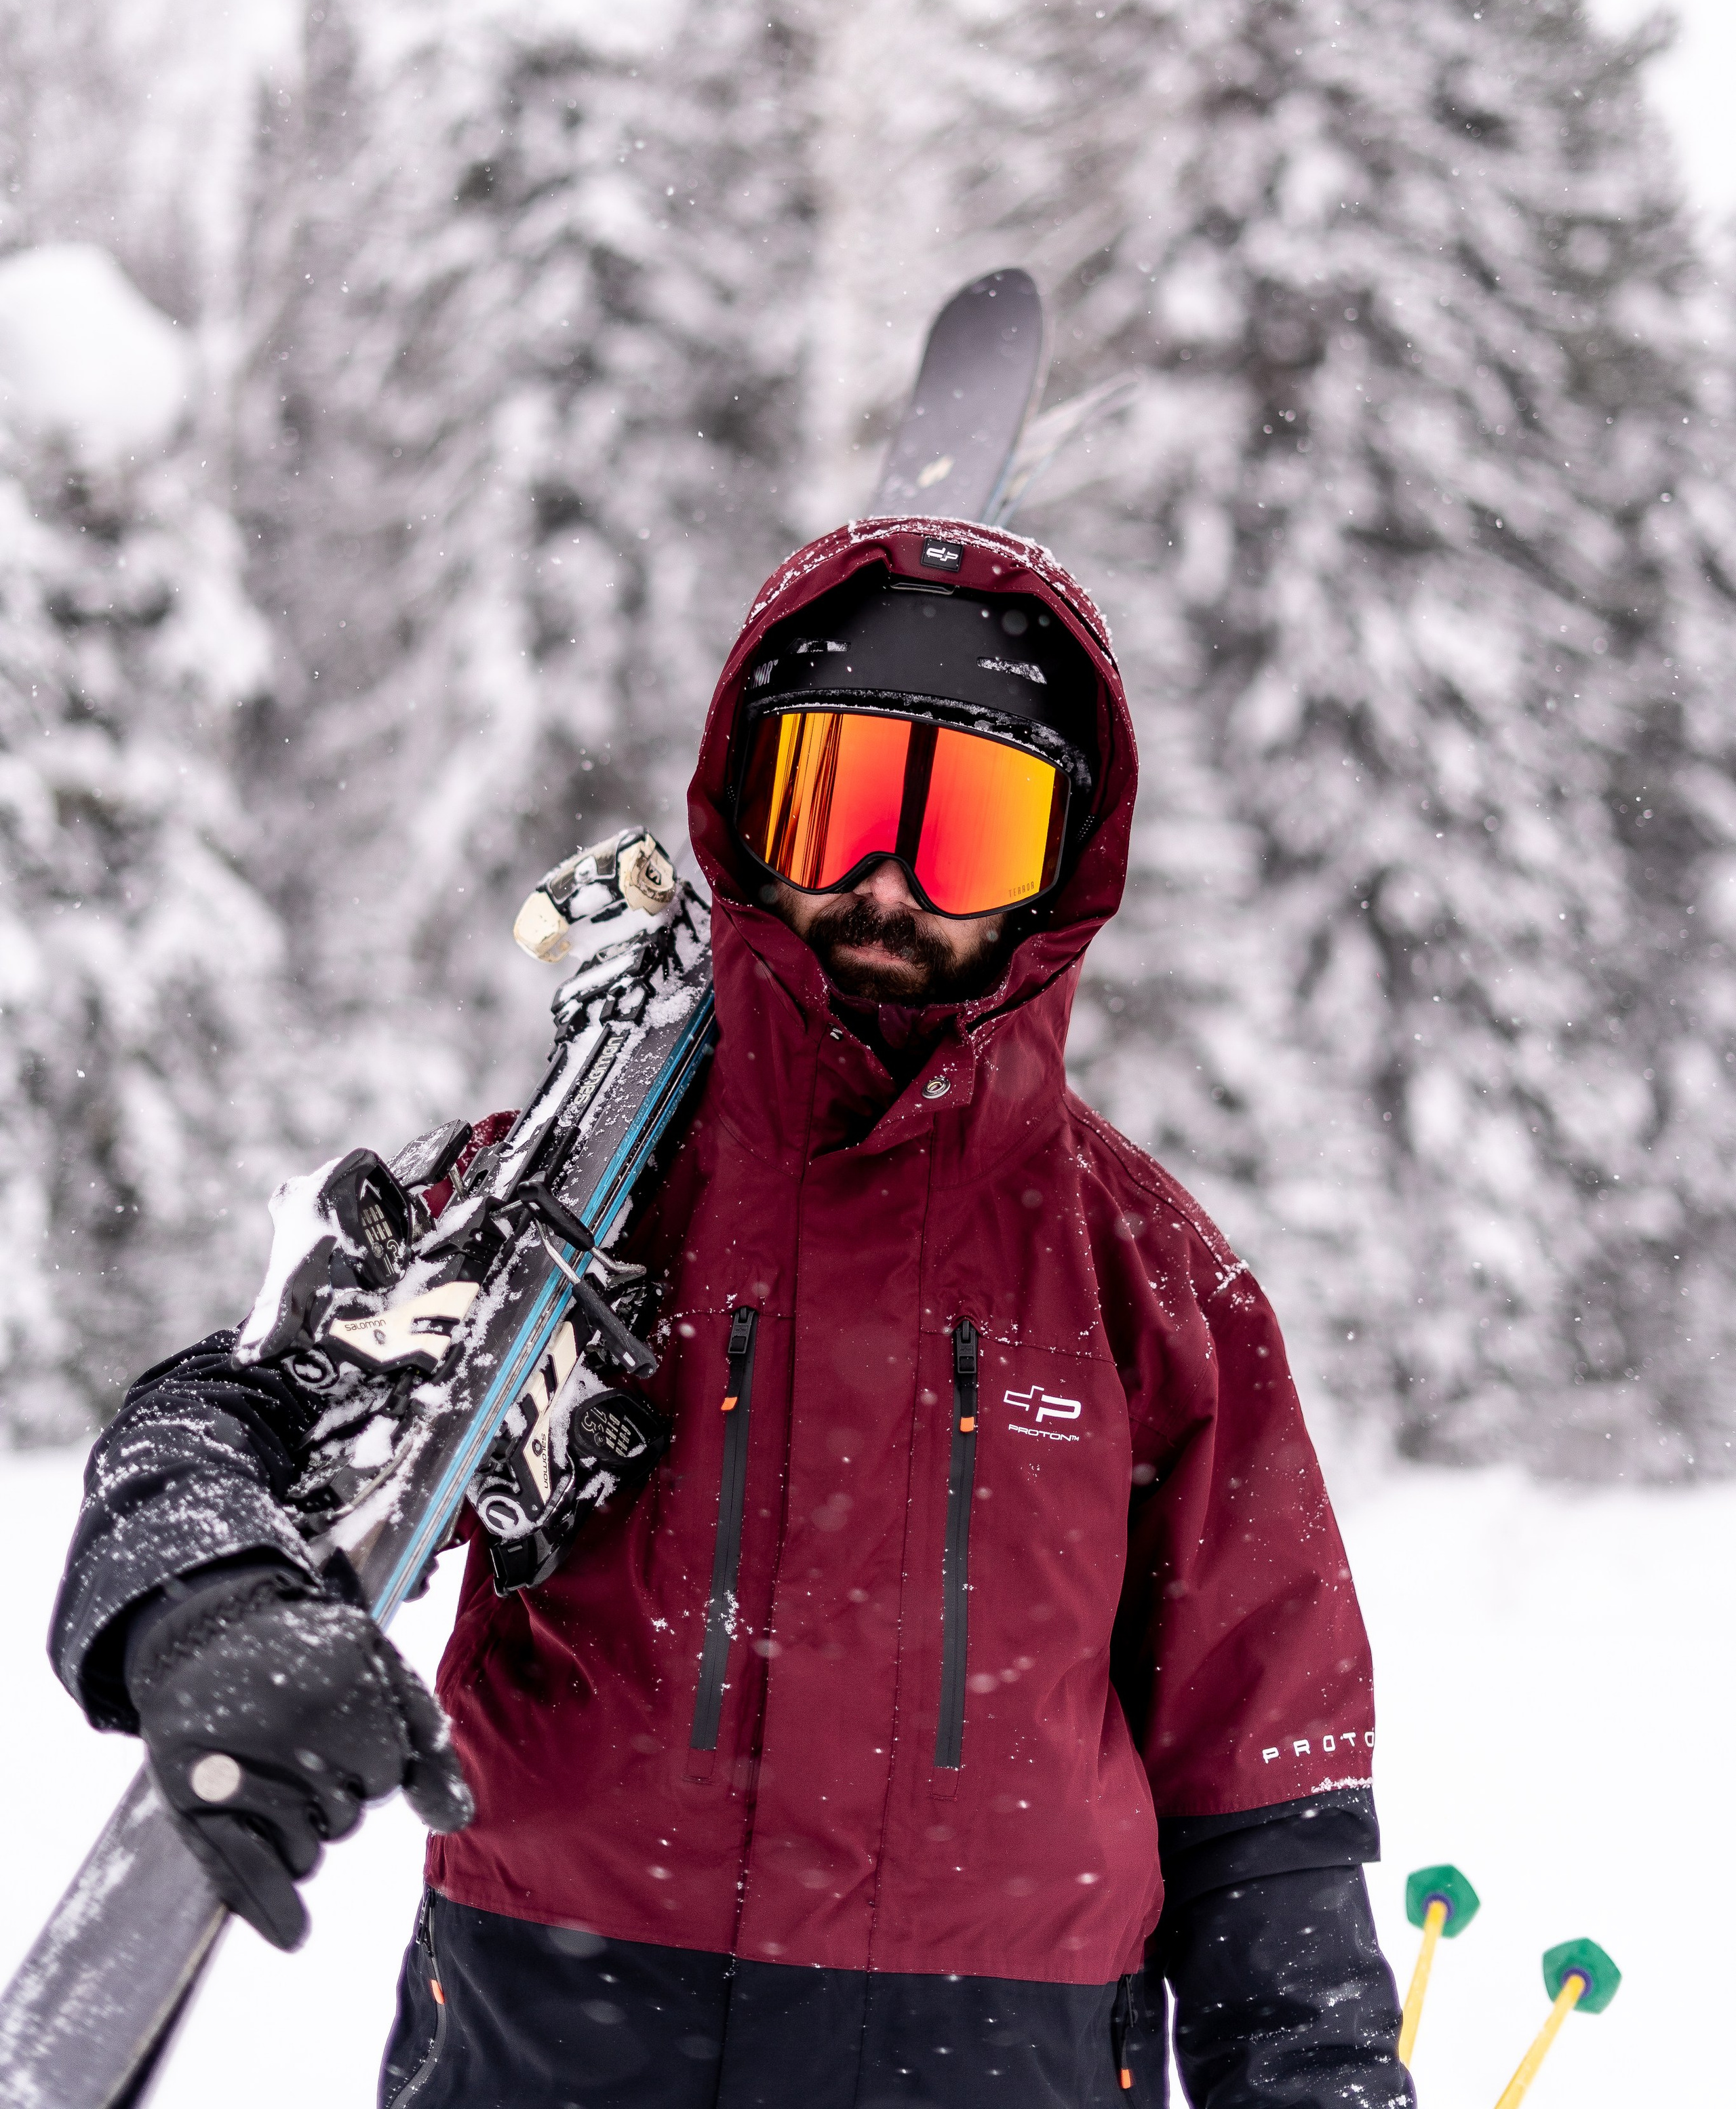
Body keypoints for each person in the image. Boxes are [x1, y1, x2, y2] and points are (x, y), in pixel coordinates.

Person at [50, 519, 1413, 2109]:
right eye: (833, 809)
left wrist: (1316, 2080)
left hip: (997, 2066)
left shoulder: (1145, 1274)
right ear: (748, 821)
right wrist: (204, 1608)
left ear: (1063, 868)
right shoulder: (554, 1195)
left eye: (968, 832)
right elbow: (218, 1414)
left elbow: (1263, 1803)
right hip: (562, 2042)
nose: (889, 884)